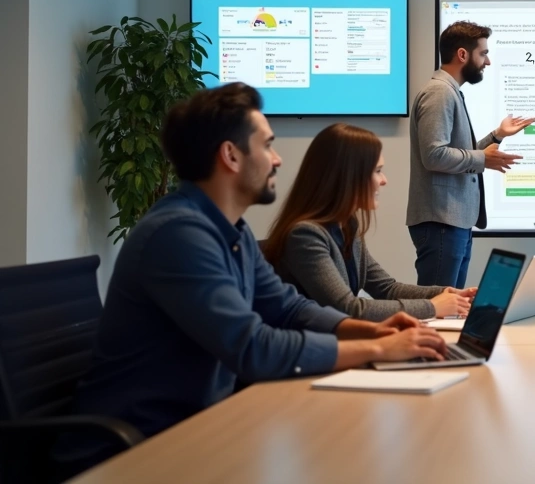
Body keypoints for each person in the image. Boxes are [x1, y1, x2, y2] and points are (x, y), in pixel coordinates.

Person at [55, 84, 446, 475]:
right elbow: (253, 347)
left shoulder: (232, 231)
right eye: (268, 146)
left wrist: (366, 332)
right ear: (231, 155)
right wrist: (378, 350)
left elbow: (288, 307)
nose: (277, 160)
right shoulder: (178, 235)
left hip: (200, 429)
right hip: (140, 449)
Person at [264, 123, 477, 321]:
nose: (384, 181)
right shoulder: (305, 235)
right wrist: (432, 307)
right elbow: (348, 309)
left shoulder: (347, 227)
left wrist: (445, 294)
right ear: (347, 177)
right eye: (377, 171)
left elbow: (387, 289)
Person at [407, 21, 535, 288]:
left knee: (450, 308)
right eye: (483, 53)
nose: (487, 62)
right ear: (463, 55)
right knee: (438, 309)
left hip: (453, 221)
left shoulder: (449, 91)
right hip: (441, 221)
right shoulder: (439, 92)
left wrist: (496, 136)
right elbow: (434, 155)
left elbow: (455, 151)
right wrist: (483, 160)